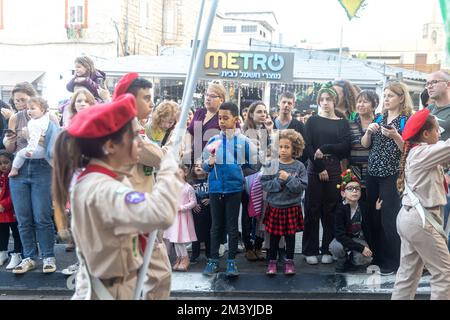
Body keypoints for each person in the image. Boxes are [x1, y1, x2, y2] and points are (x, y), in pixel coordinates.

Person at [52, 94, 183, 300]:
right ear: (110, 146)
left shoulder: (107, 180)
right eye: (134, 136)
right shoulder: (103, 188)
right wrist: (169, 168)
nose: (140, 143)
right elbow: (161, 214)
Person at [112, 72, 174, 300]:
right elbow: (155, 157)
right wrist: (171, 149)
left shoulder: (132, 125)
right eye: (146, 98)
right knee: (157, 276)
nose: (151, 103)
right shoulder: (126, 128)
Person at [392, 108, 450, 300]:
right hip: (422, 220)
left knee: (407, 274)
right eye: (436, 131)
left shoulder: (417, 153)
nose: (439, 134)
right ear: (425, 134)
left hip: (412, 218)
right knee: (444, 274)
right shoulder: (423, 152)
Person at [361, 81, 412, 275]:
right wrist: (368, 131)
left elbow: (407, 151)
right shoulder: (380, 117)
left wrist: (395, 136)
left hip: (391, 175)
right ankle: (377, 256)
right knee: (372, 216)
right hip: (373, 173)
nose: (387, 99)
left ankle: (393, 261)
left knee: (389, 218)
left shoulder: (404, 121)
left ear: (401, 98)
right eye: (385, 95)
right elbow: (366, 145)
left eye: (390, 95)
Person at [202, 102, 258, 278]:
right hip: (216, 189)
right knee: (215, 226)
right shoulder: (212, 141)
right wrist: (209, 164)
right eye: (220, 118)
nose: (222, 121)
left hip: (234, 189)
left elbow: (252, 163)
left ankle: (231, 261)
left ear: (235, 119)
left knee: (233, 226)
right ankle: (213, 260)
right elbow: (204, 166)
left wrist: (239, 173)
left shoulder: (243, 142)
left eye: (226, 118)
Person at [302, 83, 351, 265]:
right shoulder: (312, 121)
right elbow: (307, 146)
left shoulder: (342, 122)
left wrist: (326, 147)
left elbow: (345, 148)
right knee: (312, 208)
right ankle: (310, 249)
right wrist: (319, 167)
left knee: (331, 210)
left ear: (334, 101)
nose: (325, 102)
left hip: (334, 167)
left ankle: (327, 249)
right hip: (315, 168)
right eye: (321, 99)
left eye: (328, 99)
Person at [261, 129, 307, 275]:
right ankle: (272, 262)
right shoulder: (271, 165)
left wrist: (288, 178)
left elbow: (301, 187)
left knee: (290, 237)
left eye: (287, 147)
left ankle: (289, 262)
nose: (283, 150)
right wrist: (278, 182)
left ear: (295, 148)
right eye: (280, 146)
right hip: (275, 207)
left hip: (292, 207)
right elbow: (264, 184)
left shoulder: (299, 166)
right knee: (274, 238)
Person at [241, 101, 273, 261]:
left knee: (261, 213)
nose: (263, 115)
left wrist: (270, 132)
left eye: (265, 112)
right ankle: (248, 246)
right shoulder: (243, 132)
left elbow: (272, 154)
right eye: (259, 112)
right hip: (247, 178)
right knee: (248, 213)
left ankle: (259, 246)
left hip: (263, 178)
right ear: (252, 114)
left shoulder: (266, 132)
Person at [330, 169, 376, 273]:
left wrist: (377, 210)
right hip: (343, 240)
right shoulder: (339, 209)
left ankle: (352, 261)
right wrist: (361, 248)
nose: (354, 191)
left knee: (364, 258)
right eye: (350, 189)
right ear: (343, 193)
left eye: (357, 188)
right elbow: (340, 235)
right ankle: (342, 259)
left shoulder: (364, 207)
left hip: (359, 238)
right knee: (336, 247)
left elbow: (373, 225)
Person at [163, 165, 197, 272]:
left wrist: (182, 207)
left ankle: (185, 258)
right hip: (174, 217)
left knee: (180, 240)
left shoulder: (188, 188)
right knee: (174, 239)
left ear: (185, 173)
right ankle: (179, 258)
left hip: (183, 216)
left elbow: (193, 202)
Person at [348, 90, 379, 198]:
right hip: (354, 171)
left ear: (374, 105)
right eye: (359, 101)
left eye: (365, 102)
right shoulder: (350, 124)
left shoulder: (380, 123)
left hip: (376, 171)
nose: (361, 105)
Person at [9, 97, 50, 177]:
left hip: (37, 148)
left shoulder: (36, 124)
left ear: (42, 110)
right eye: (28, 109)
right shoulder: (44, 118)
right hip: (45, 149)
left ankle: (14, 170)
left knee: (20, 154)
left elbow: (34, 139)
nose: (29, 111)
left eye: (32, 108)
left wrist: (30, 151)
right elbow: (46, 114)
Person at [0, 150, 22, 270]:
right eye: (0, 163)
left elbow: (15, 193)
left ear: (12, 162)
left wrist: (4, 204)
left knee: (16, 232)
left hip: (12, 210)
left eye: (6, 162)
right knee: (2, 232)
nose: (3, 165)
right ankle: (2, 252)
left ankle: (17, 253)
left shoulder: (14, 176)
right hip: (1, 212)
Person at [189, 160, 211, 264]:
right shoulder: (191, 182)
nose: (198, 167)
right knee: (196, 233)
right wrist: (193, 204)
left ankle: (209, 254)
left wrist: (210, 199)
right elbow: (187, 196)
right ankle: (195, 254)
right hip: (196, 210)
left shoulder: (210, 180)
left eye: (201, 166)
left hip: (209, 209)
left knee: (209, 233)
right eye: (196, 166)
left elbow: (215, 192)